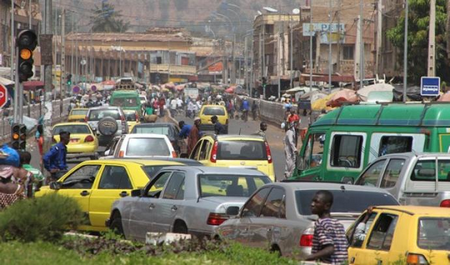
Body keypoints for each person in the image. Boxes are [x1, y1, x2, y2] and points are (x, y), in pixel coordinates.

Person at [305, 190, 348, 264]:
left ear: (326, 206)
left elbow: (329, 249)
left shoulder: (321, 223)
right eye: (312, 201)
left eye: (316, 202)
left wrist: (309, 257)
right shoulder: (337, 223)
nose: (312, 204)